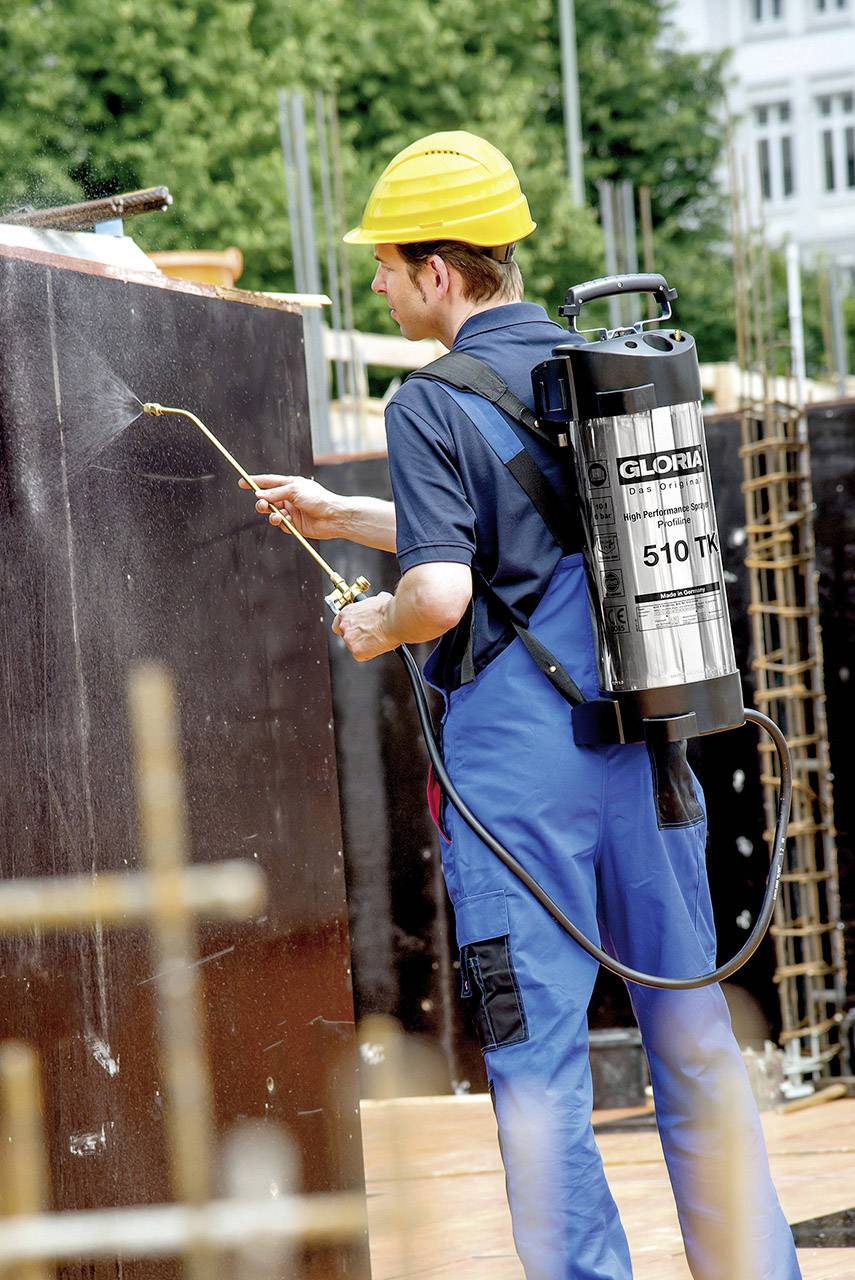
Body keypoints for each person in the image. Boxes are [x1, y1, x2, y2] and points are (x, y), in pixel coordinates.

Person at [244, 132, 801, 1280]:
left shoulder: (427, 401)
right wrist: (345, 515)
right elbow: (523, 535)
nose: (383, 287)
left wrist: (375, 624)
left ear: (440, 272)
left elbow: (445, 590)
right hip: (648, 756)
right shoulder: (596, 370)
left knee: (540, 1071)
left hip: (518, 784)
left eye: (389, 269)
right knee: (695, 1042)